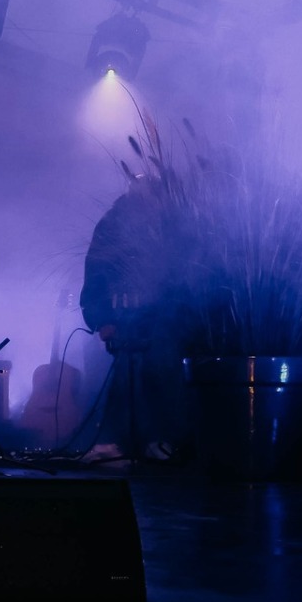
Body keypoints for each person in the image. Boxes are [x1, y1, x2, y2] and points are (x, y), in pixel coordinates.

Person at [78, 173, 186, 462]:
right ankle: (117, 441)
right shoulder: (112, 224)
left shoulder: (171, 220)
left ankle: (156, 439)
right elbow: (96, 273)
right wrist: (102, 318)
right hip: (126, 316)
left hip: (163, 315)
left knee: (161, 369)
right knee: (127, 371)